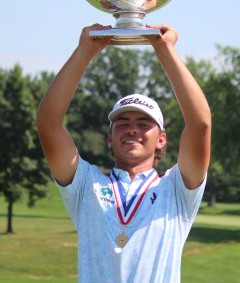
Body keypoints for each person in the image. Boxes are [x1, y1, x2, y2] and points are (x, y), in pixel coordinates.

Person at [36, 23, 211, 282]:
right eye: (123, 123)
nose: (132, 130)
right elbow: (47, 123)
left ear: (161, 140)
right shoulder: (86, 185)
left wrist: (165, 49)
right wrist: (84, 50)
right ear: (109, 138)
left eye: (143, 124)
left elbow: (200, 124)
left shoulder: (177, 190)